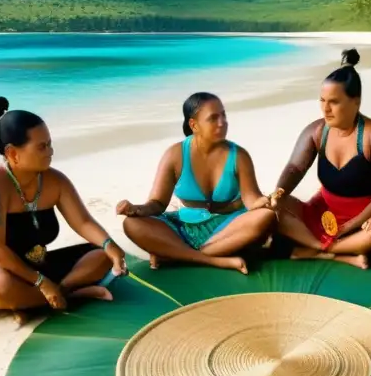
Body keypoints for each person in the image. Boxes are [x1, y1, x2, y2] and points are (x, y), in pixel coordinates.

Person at [0, 97, 127, 323]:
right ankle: (63, 295)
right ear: (13, 153)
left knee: (102, 255)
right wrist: (41, 282)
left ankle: (50, 297)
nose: (50, 151)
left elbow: (82, 222)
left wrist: (109, 245)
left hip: (36, 263)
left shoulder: (55, 181)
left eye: (50, 144)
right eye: (42, 147)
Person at [116, 92, 279, 273]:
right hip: (184, 227)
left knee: (266, 216)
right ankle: (214, 260)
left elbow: (251, 200)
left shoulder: (238, 156)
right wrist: (135, 209)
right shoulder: (175, 155)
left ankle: (174, 254)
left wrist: (264, 202)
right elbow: (157, 204)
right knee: (131, 224)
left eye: (223, 116)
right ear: (194, 124)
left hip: (226, 229)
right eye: (213, 118)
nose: (222, 123)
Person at [271, 48, 371, 269]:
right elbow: (295, 167)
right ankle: (333, 252)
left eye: (334, 102)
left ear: (356, 102)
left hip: (362, 219)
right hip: (322, 212)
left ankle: (312, 249)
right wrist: (280, 192)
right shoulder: (317, 131)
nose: (325, 109)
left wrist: (350, 225)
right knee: (270, 212)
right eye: (322, 100)